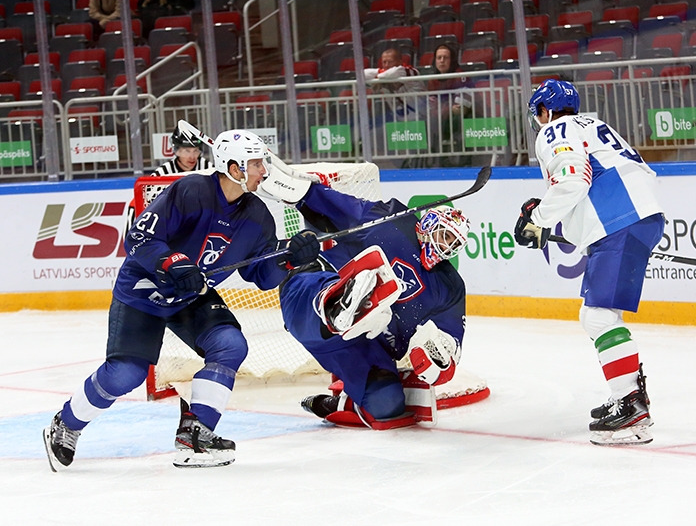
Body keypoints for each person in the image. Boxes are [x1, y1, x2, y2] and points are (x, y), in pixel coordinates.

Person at [43, 129, 321, 470]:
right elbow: (141, 237)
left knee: (230, 345)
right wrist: (173, 262)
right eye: (256, 163)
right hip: (144, 290)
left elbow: (261, 275)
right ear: (234, 168)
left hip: (192, 294)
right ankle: (67, 423)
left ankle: (196, 435)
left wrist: (290, 258)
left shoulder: (257, 214)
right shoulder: (190, 190)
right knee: (125, 375)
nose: (263, 170)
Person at [514, 79, 664, 446]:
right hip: (638, 216)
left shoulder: (554, 130)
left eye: (538, 114)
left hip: (618, 220)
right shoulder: (595, 126)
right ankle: (625, 396)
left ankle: (630, 405)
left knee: (598, 316)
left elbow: (572, 181)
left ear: (544, 111)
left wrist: (540, 220)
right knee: (598, 315)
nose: (538, 121)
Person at [260, 170, 470, 429]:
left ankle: (332, 403)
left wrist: (438, 363)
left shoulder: (450, 286)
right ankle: (338, 302)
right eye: (444, 234)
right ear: (428, 224)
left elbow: (451, 343)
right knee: (328, 291)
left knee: (387, 404)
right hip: (309, 299)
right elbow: (330, 202)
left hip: (361, 345)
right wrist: (277, 179)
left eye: (453, 242)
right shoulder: (393, 220)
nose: (446, 245)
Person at [426, 43, 474, 167]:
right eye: (439, 58)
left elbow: (461, 109)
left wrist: (443, 110)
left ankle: (463, 162)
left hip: (466, 118)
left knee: (458, 120)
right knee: (429, 122)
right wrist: (447, 109)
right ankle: (435, 162)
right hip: (443, 119)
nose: (442, 61)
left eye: (445, 58)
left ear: (451, 60)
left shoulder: (461, 76)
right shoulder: (432, 80)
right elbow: (432, 108)